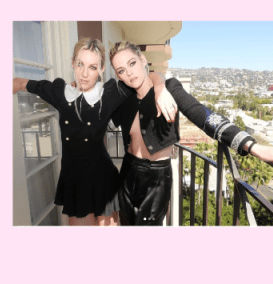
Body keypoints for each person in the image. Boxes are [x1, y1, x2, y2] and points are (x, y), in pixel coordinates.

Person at [109, 41, 273, 226]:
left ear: (143, 59)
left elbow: (204, 116)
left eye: (132, 63)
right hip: (128, 170)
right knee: (127, 222)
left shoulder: (170, 88)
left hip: (156, 177)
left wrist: (252, 146)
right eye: (121, 70)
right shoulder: (124, 97)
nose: (129, 73)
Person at [12, 38, 178, 226]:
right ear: (73, 63)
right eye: (80, 64)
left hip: (104, 180)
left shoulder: (110, 93)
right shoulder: (59, 92)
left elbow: (145, 75)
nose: (84, 74)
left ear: (101, 69)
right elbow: (20, 82)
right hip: (74, 181)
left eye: (92, 67)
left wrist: (159, 87)